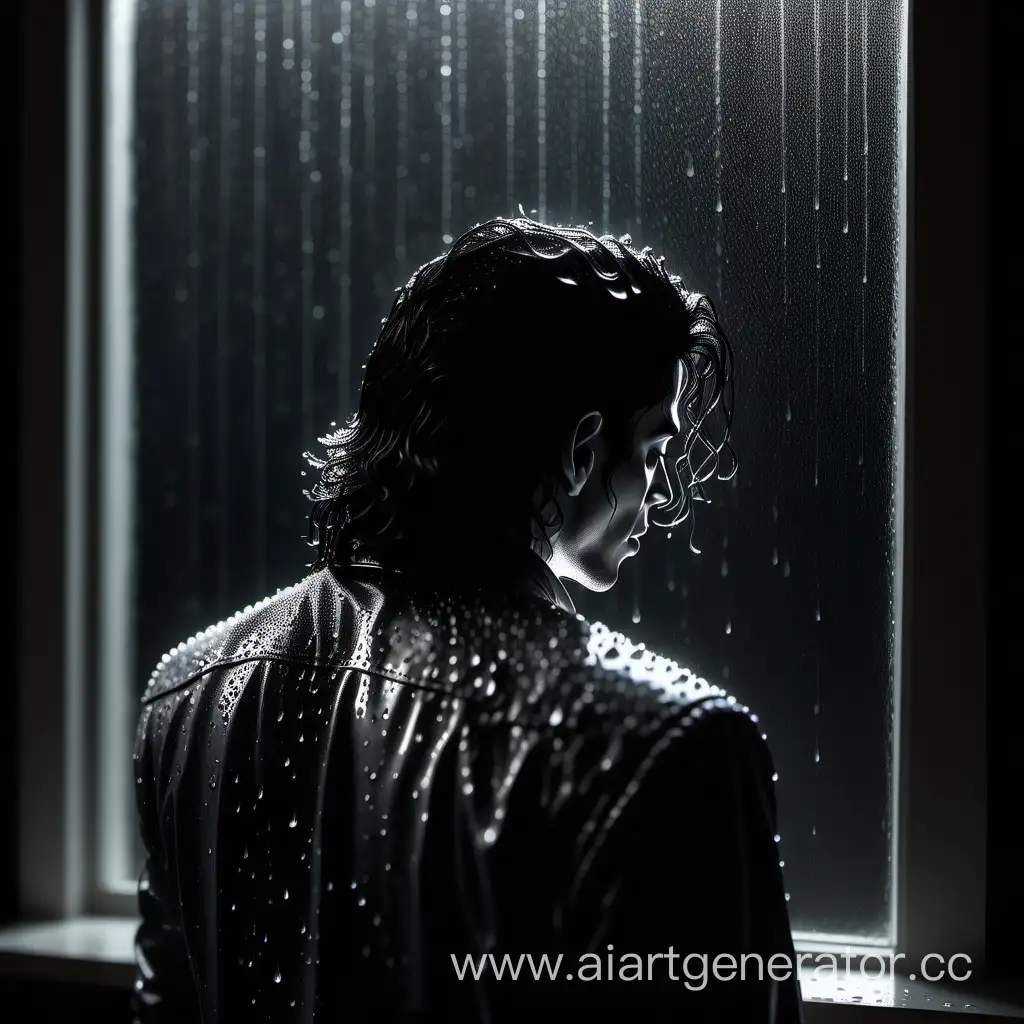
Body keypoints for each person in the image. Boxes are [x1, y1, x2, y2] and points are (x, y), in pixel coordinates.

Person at [132, 216, 802, 1022]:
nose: (659, 497)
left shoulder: (189, 693)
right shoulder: (676, 745)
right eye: (654, 454)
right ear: (583, 448)